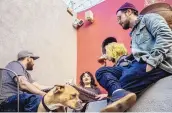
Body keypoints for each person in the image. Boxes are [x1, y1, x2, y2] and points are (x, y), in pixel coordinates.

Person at [96, 2, 172, 112]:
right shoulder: (133, 34)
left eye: (119, 17)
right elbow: (135, 55)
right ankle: (117, 93)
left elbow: (166, 36)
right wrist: (111, 91)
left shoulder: (149, 18)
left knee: (124, 79)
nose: (118, 21)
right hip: (136, 65)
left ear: (129, 12)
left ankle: (116, 97)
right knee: (102, 71)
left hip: (158, 63)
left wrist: (152, 61)